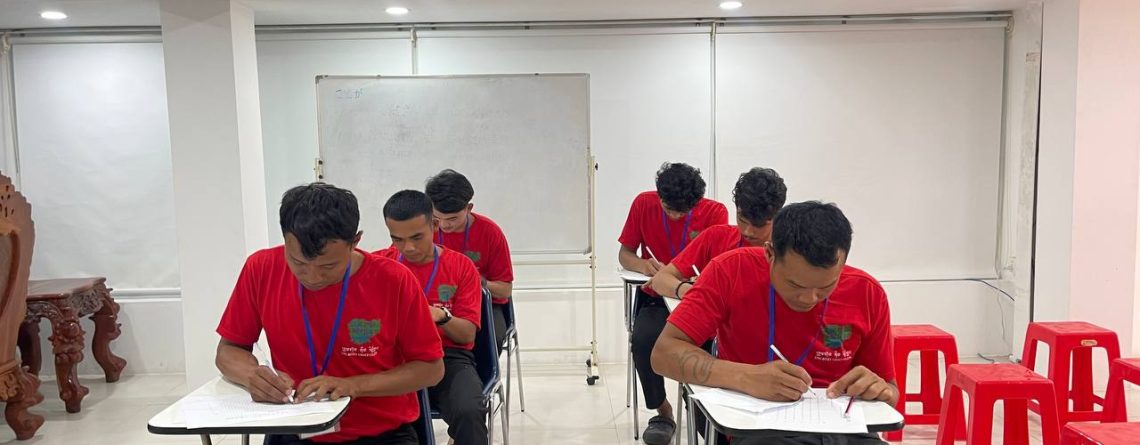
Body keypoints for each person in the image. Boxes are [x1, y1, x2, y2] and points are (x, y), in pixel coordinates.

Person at [215, 183, 444, 445]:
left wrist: (354, 385)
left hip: (380, 433)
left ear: (355, 242)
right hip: (295, 427)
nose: (312, 277)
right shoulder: (261, 269)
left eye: (328, 266)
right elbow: (229, 350)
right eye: (298, 263)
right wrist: (252, 375)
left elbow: (431, 369)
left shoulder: (394, 280)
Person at [652, 201, 897, 445]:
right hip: (760, 428)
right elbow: (663, 354)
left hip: (845, 428)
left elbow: (891, 392)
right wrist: (745, 377)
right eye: (795, 284)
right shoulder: (731, 271)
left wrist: (880, 391)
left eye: (825, 286)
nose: (809, 298)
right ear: (769, 254)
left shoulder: (867, 292)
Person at [619, 162, 728, 445]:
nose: (676, 215)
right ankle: (663, 412)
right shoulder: (643, 204)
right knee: (643, 341)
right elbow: (625, 254)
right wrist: (643, 266)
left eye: (683, 211)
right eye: (669, 209)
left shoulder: (715, 213)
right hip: (655, 299)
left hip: (698, 302)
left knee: (706, 349)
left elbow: (718, 265)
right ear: (659, 196)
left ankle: (697, 406)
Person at [375, 190, 488, 445]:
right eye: (398, 239)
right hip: (393, 359)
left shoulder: (461, 266)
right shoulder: (380, 264)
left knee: (470, 412)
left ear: (434, 226)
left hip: (448, 357)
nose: (408, 247)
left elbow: (467, 334)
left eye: (417, 237)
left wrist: (440, 316)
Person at [645, 167, 787, 299]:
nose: (748, 231)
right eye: (742, 220)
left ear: (777, 216)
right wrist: (696, 294)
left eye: (759, 224)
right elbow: (661, 279)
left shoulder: (788, 251)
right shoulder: (716, 236)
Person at [426, 169, 514, 352]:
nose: (444, 225)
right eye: (436, 218)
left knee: (489, 340)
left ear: (469, 208)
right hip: (435, 300)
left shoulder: (490, 232)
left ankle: (472, 371)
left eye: (452, 218)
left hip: (483, 305)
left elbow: (505, 289)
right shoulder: (423, 229)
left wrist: (477, 282)